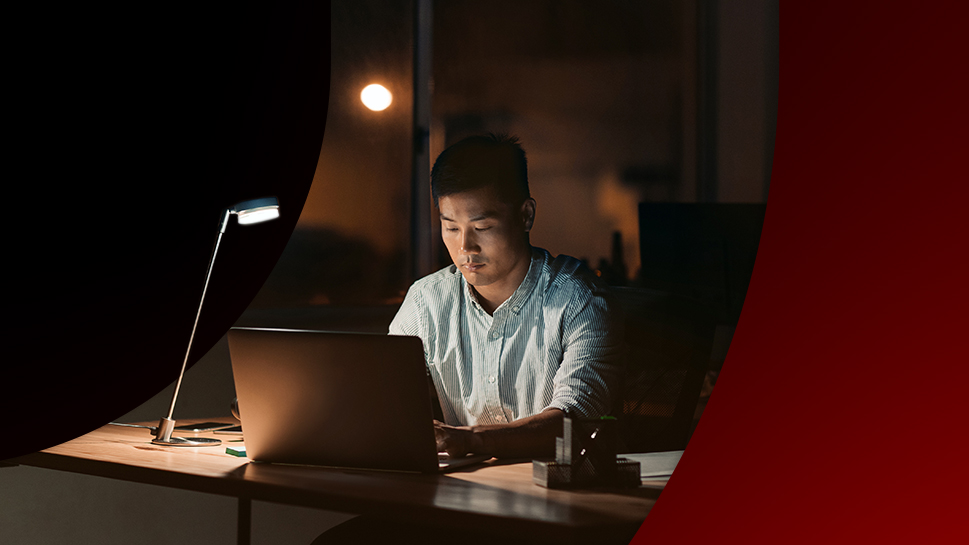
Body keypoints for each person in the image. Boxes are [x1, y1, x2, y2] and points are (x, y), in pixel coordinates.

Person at [389, 133, 623, 460]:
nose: (465, 247)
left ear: (525, 215)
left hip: (558, 490)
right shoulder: (426, 301)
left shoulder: (578, 299)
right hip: (466, 489)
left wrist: (470, 440)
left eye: (482, 227)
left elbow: (576, 422)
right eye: (451, 228)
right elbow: (386, 399)